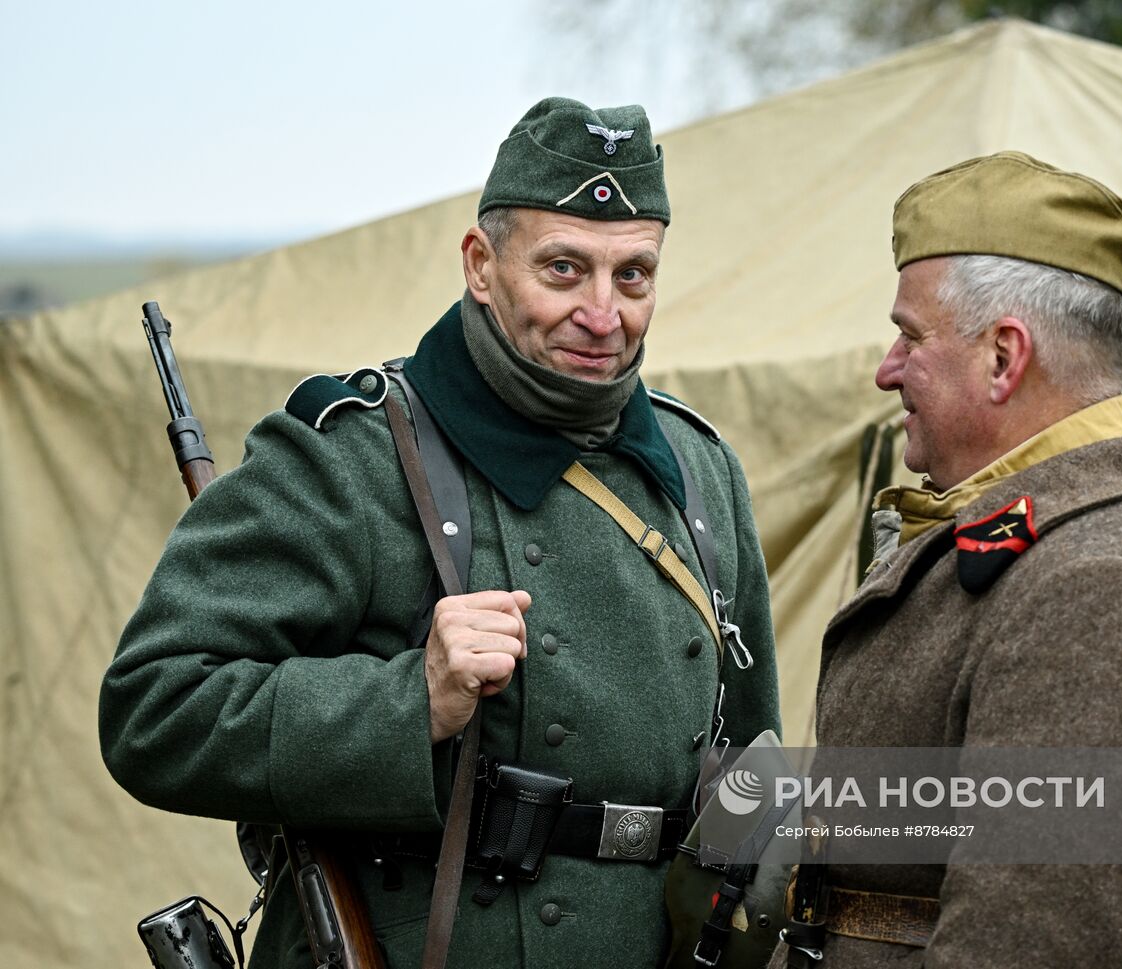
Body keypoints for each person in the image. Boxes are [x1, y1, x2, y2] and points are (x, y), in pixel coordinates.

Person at [100, 97, 780, 969]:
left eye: (634, 275)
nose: (604, 314)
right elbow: (152, 708)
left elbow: (751, 767)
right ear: (481, 264)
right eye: (564, 270)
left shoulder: (701, 470)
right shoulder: (354, 456)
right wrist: (410, 700)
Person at [774, 152, 1122, 968]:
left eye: (909, 336)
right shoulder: (1044, 539)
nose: (888, 370)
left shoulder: (1099, 583)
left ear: (1002, 356)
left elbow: (1035, 942)